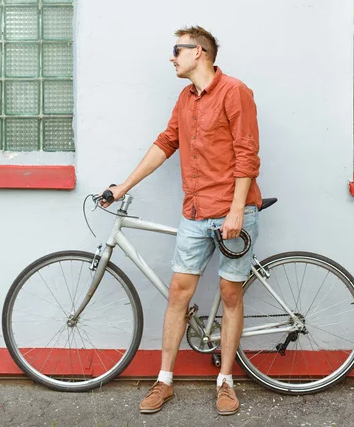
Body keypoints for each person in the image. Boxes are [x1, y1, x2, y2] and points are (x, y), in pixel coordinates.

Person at [101, 26, 261, 416]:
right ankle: (165, 381)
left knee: (230, 296)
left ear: (200, 52)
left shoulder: (235, 91)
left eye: (178, 50)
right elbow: (165, 143)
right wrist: (122, 187)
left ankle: (225, 382)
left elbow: (247, 153)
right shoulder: (185, 98)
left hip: (233, 209)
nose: (172, 57)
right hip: (194, 211)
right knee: (178, 296)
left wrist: (237, 209)